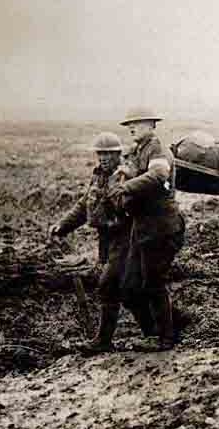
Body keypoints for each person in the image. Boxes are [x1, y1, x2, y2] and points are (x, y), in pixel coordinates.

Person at [49, 132, 155, 353]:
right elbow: (85, 204)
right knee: (121, 288)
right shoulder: (98, 176)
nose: (104, 158)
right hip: (109, 239)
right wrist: (64, 225)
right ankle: (150, 332)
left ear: (118, 154)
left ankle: (146, 335)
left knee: (115, 285)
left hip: (129, 237)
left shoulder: (126, 175)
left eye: (108, 153)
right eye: (100, 153)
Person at [107, 107, 186, 351]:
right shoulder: (139, 151)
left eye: (138, 124)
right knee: (129, 286)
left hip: (162, 227)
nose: (132, 128)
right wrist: (125, 173)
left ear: (151, 125)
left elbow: (160, 172)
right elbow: (136, 172)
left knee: (153, 282)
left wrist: (126, 187)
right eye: (130, 125)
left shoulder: (157, 148)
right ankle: (160, 329)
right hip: (142, 228)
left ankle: (167, 338)